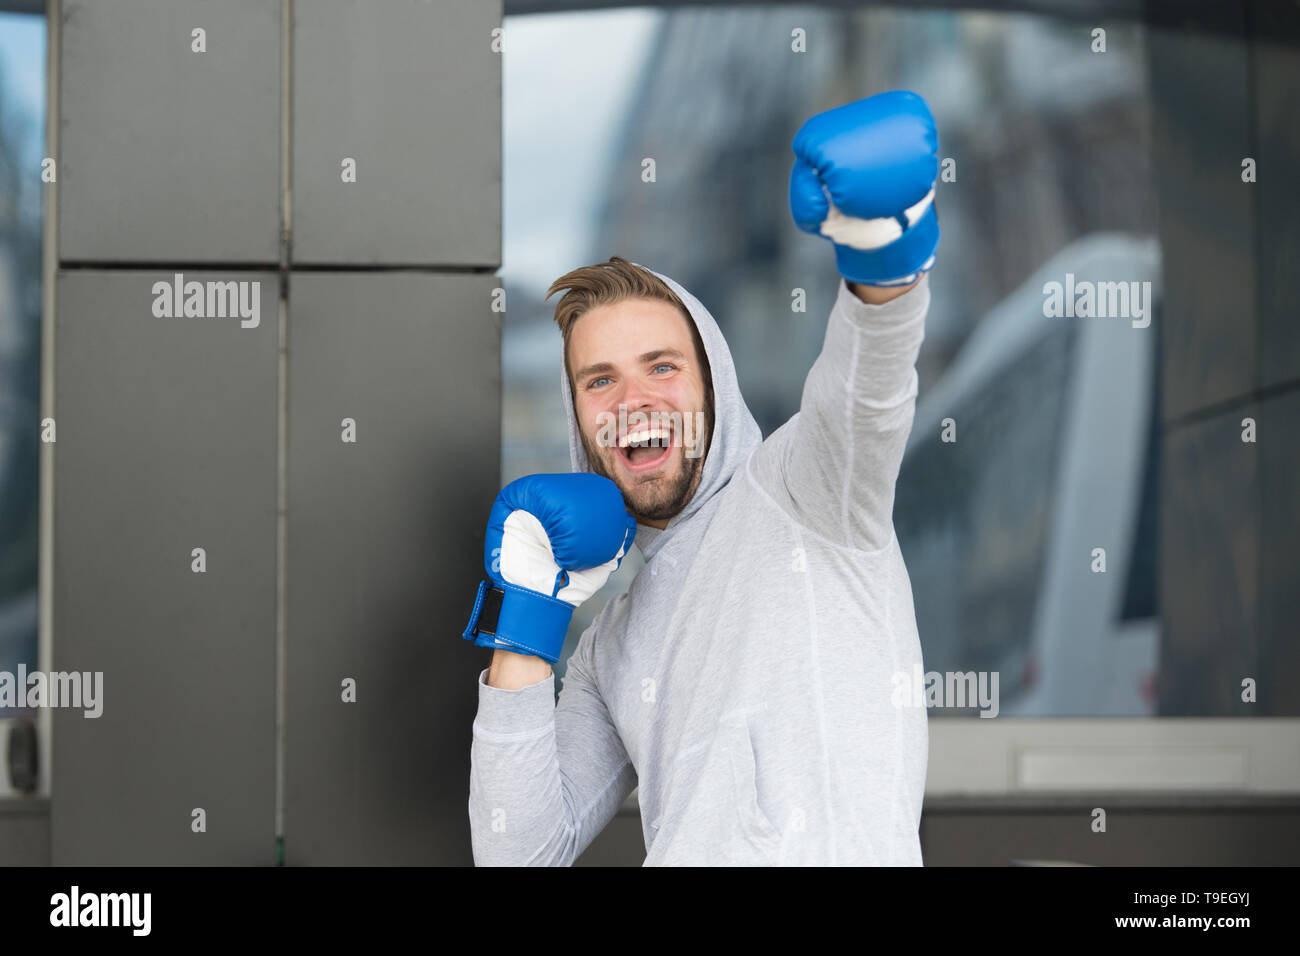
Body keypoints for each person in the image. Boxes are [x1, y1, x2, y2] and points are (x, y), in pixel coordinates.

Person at [462, 90, 939, 865]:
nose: (633, 400)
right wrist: (524, 616)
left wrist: (882, 248)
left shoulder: (805, 489)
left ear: (712, 382)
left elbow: (869, 389)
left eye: (661, 366)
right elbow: (516, 853)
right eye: (599, 380)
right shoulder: (610, 646)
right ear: (579, 417)